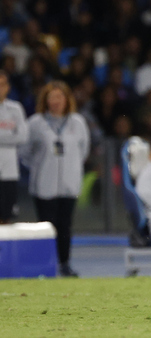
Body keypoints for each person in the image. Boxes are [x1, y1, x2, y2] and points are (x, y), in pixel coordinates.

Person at [20, 81, 90, 277]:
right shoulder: (35, 123)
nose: (56, 101)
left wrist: (72, 167)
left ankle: (65, 263)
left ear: (67, 100)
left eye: (60, 97)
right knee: (46, 225)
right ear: (45, 100)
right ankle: (46, 264)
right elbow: (25, 152)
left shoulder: (77, 122)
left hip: (69, 183)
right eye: (52, 97)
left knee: (65, 224)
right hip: (44, 182)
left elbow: (83, 150)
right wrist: (38, 167)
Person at [0, 71, 29, 224]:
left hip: (9, 171)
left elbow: (22, 136)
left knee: (7, 216)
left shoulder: (15, 109)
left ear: (8, 87)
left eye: (2, 85)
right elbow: (15, 136)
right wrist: (9, 136)